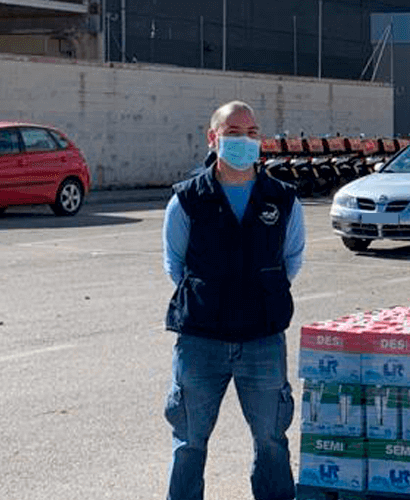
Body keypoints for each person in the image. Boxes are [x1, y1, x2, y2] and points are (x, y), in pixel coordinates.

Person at [162, 100, 307, 500]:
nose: (244, 140)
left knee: (271, 439)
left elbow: (291, 260)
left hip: (262, 339)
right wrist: (214, 296)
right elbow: (175, 264)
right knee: (189, 441)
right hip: (200, 341)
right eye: (233, 133)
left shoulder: (282, 199)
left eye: (252, 132)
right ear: (213, 139)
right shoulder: (188, 199)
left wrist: (255, 294)